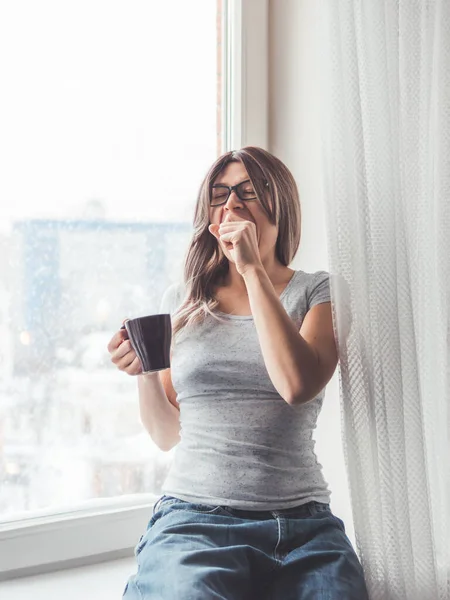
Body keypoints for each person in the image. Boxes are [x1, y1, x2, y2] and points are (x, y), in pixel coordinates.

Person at [108, 147, 369, 600]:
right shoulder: (184, 301)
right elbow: (168, 434)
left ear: (280, 204)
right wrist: (144, 374)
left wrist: (252, 270)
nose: (233, 203)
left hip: (304, 527)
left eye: (250, 191)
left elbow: (297, 385)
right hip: (194, 519)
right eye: (221, 193)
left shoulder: (319, 291)